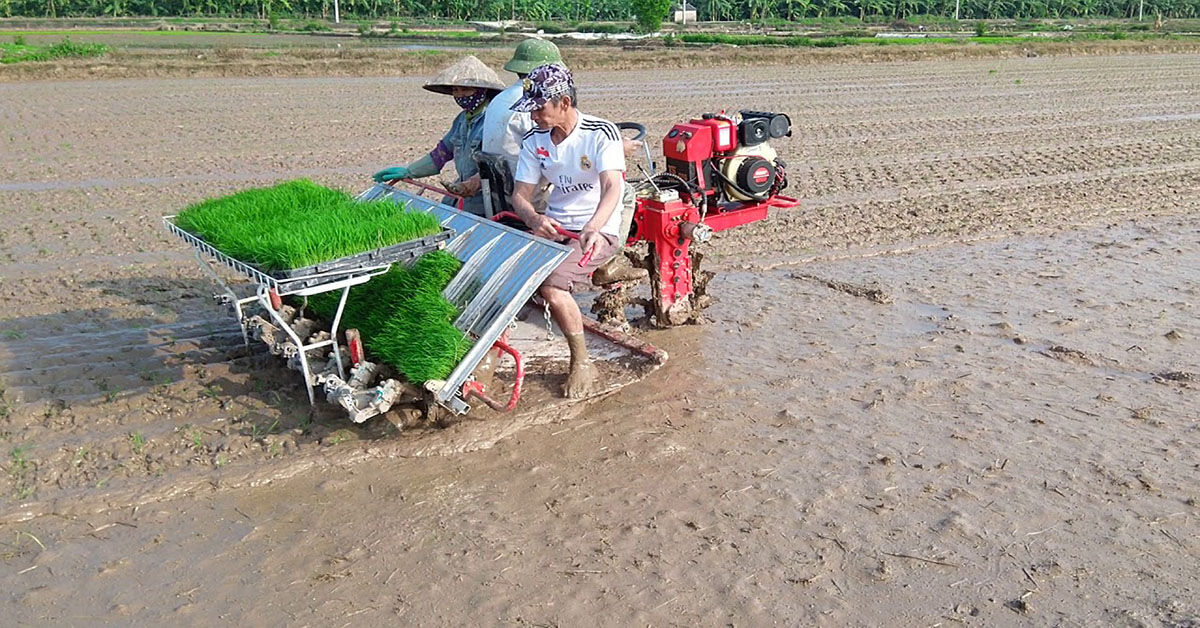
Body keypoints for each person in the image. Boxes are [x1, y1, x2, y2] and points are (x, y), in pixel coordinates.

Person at [510, 64, 625, 398]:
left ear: (563, 102)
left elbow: (612, 188)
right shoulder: (535, 140)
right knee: (508, 274)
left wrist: (594, 226)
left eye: (539, 107)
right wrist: (533, 220)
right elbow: (520, 195)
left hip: (596, 229)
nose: (533, 115)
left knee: (551, 286)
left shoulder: (600, 133)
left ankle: (581, 361)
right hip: (553, 226)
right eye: (529, 107)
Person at [372, 55, 506, 215]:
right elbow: (441, 154)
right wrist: (409, 171)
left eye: (466, 89)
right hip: (461, 196)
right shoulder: (462, 120)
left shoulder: (494, 118)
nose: (460, 94)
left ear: (483, 91)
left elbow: (502, 162)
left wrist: (473, 183)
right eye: (456, 90)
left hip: (488, 200)